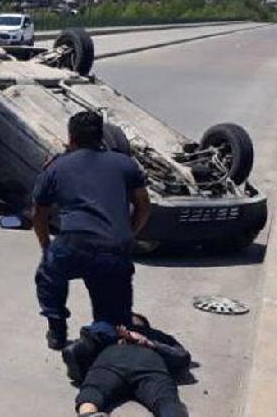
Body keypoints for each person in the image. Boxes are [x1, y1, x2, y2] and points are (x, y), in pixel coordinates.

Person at [33, 111, 152, 350]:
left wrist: (46, 245)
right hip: (115, 249)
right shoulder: (125, 164)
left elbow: (39, 214)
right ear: (102, 136)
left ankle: (57, 331)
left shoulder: (56, 167)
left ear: (70, 137)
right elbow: (144, 207)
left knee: (48, 272)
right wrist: (127, 234)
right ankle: (102, 334)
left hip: (74, 245)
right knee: (113, 321)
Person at [62, 314, 192, 417]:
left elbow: (183, 357)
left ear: (145, 324)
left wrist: (149, 343)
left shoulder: (157, 335)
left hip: (149, 368)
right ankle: (89, 414)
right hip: (111, 363)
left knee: (166, 399)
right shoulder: (109, 332)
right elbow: (84, 344)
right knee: (93, 389)